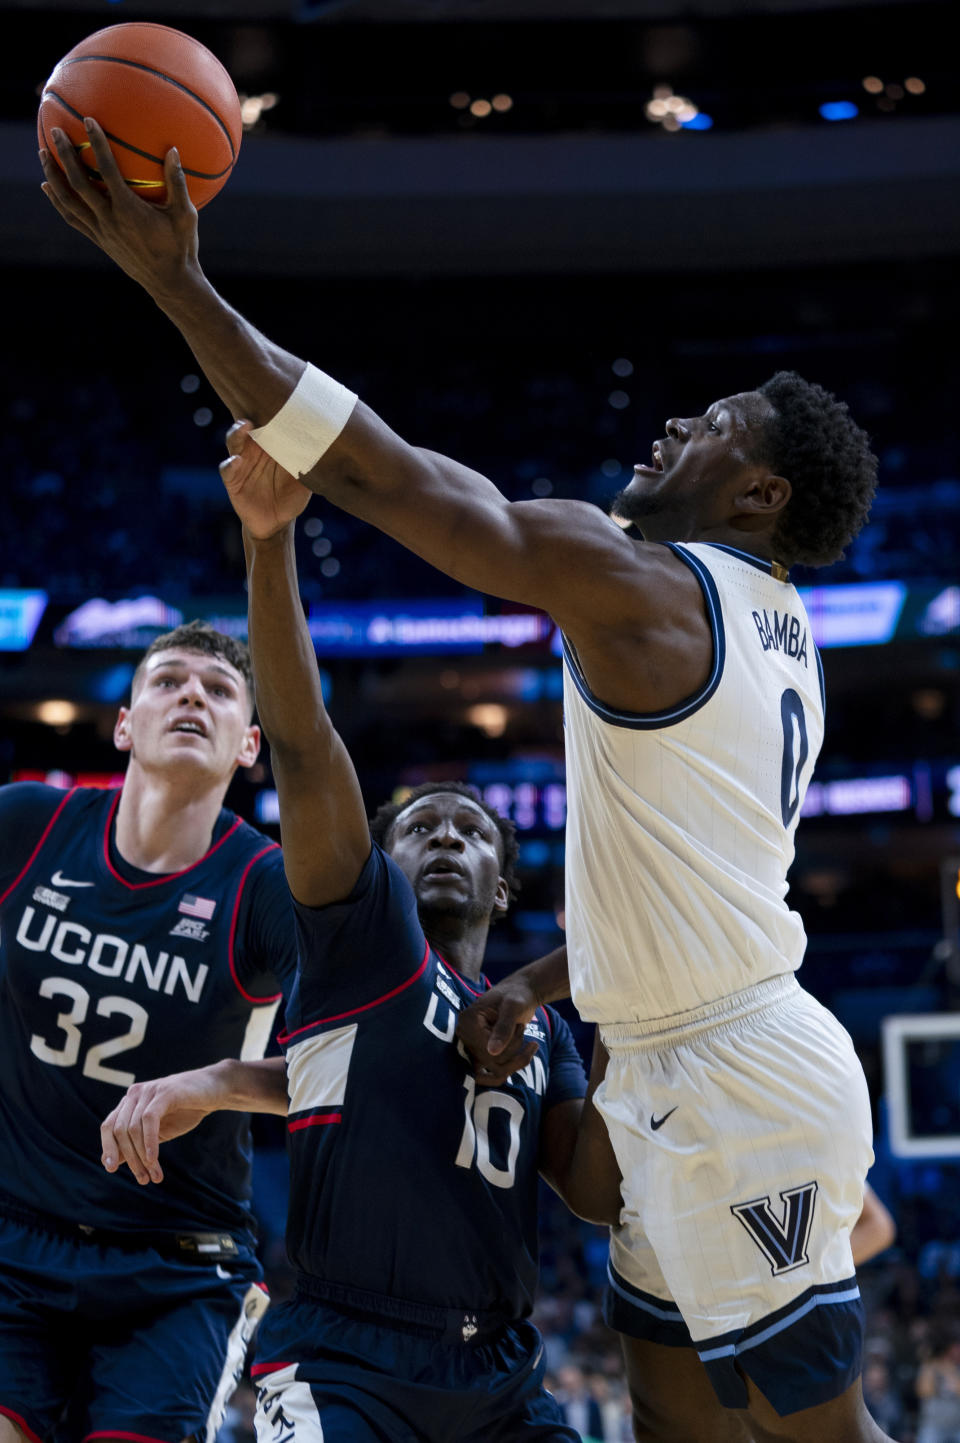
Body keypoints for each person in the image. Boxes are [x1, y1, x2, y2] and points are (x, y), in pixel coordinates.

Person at [41, 124, 883, 1443]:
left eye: (712, 426)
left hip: (730, 1071)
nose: (673, 423)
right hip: (674, 1053)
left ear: (760, 489)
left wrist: (178, 284)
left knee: (823, 1432)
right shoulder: (784, 628)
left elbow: (388, 474)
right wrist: (540, 985)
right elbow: (689, 881)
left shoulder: (655, 585)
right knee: (675, 1420)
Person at [96, 467, 621, 1442]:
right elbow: (301, 746)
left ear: (503, 887)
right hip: (347, 1354)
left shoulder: (539, 1023)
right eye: (424, 828)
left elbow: (595, 1194)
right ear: (376, 862)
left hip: (502, 1370)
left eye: (473, 832)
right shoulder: (363, 931)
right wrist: (267, 542)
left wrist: (630, 1009)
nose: (452, 839)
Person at [0, 620, 298, 1443]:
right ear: (124, 723)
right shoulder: (26, 826)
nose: (192, 693)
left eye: (218, 688)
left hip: (176, 1264)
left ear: (249, 745)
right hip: (13, 1239)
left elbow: (356, 1061)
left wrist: (217, 1083)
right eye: (168, 680)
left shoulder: (266, 885)